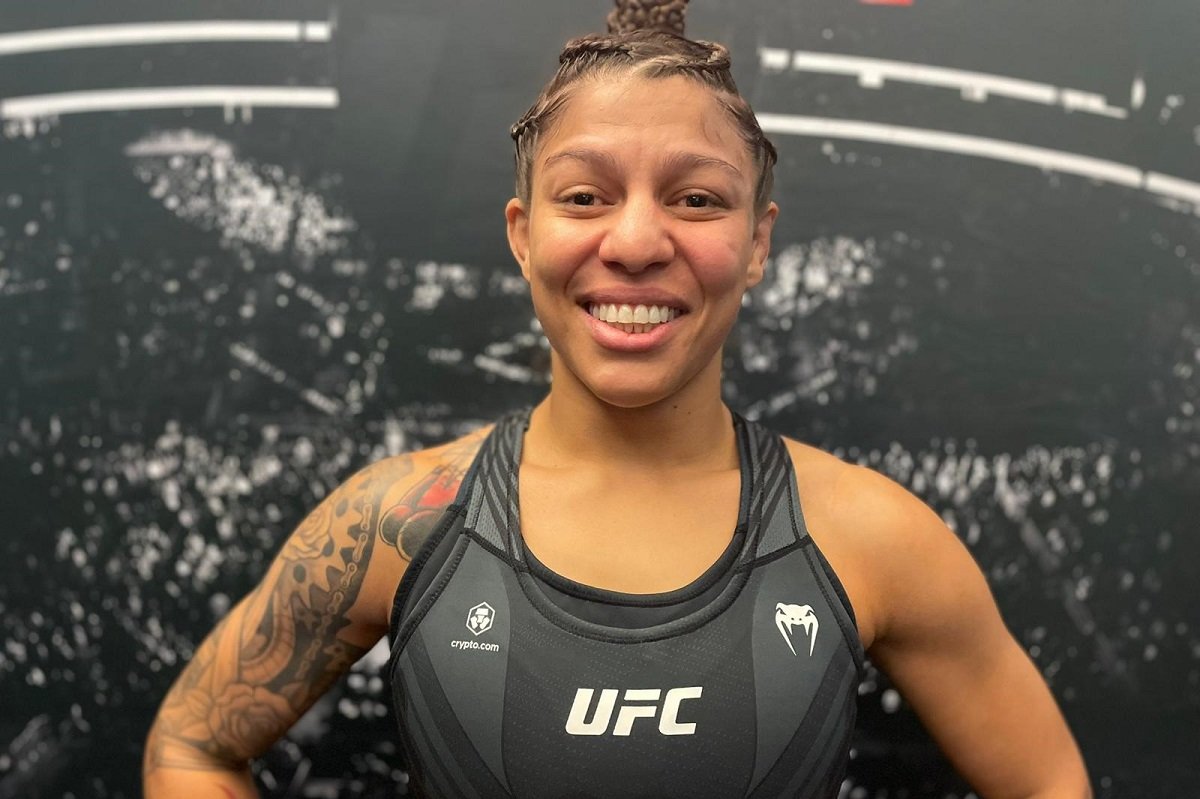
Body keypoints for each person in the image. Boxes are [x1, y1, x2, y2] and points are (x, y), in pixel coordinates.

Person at [143, 1, 1092, 796]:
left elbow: (1050, 781)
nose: (636, 242)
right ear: (523, 235)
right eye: (586, 197)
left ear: (759, 243)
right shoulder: (400, 523)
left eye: (696, 199)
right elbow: (192, 745)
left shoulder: (871, 536)